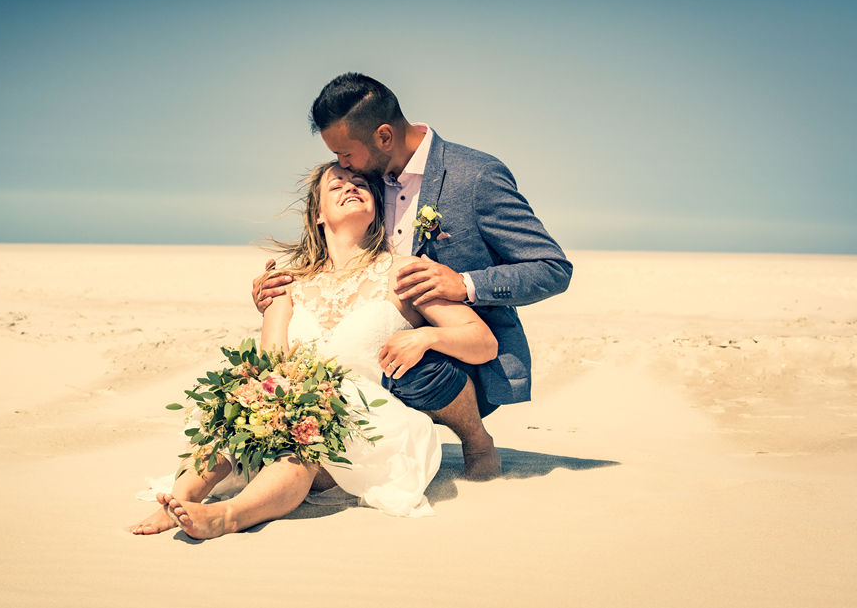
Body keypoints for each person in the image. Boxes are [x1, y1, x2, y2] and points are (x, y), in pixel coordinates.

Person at [129, 161, 497, 539]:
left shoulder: (401, 272)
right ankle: (178, 499)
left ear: (375, 209)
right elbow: (271, 363)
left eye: (361, 185)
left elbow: (483, 343)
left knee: (307, 441)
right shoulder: (286, 285)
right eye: (337, 185)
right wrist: (266, 405)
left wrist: (427, 337)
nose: (351, 188)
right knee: (236, 419)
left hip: (364, 422)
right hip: (295, 401)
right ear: (318, 214)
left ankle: (229, 515)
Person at [254, 73, 573, 481]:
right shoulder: (365, 179)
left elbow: (552, 268)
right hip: (365, 337)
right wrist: (275, 291)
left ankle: (476, 440)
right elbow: (336, 247)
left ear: (384, 136)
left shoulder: (475, 176)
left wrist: (465, 284)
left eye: (345, 153)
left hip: (454, 350)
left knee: (416, 368)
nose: (342, 165)